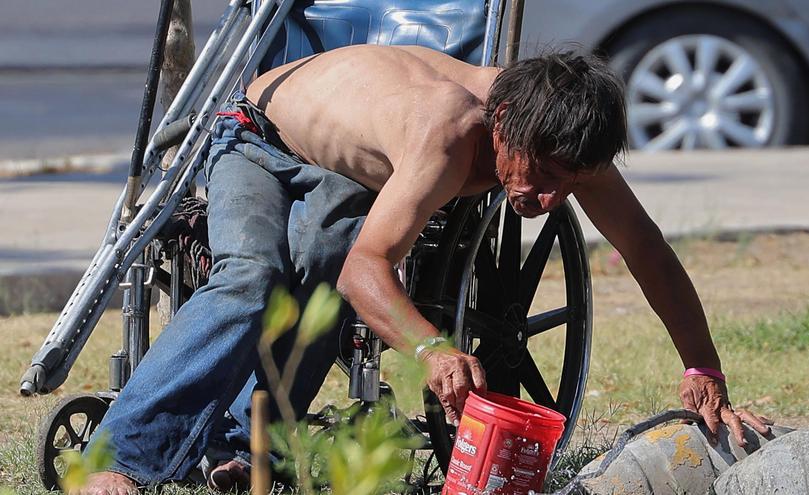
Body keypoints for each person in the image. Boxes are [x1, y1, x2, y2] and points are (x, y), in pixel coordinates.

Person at [76, 45, 770, 494]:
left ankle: (252, 444)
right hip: (260, 140)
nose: (551, 198)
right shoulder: (448, 131)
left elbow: (646, 247)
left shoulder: (562, 137)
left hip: (342, 169)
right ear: (503, 124)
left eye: (569, 183)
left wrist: (703, 366)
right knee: (252, 277)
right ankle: (117, 458)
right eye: (544, 176)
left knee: (319, 265)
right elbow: (367, 270)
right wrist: (433, 347)